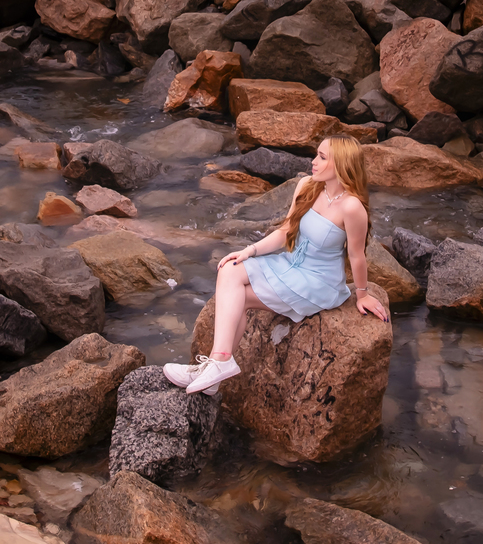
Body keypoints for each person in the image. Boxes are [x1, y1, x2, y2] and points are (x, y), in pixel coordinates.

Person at [164, 135, 389, 396]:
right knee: (229, 269)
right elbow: (286, 231)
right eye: (316, 154)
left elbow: (357, 255)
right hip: (290, 265)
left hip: (318, 282)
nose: (314, 162)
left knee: (238, 297)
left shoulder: (352, 207)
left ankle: (215, 367)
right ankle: (217, 364)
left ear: (342, 164)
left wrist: (362, 294)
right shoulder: (307, 185)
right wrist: (249, 251)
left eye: (323, 157)